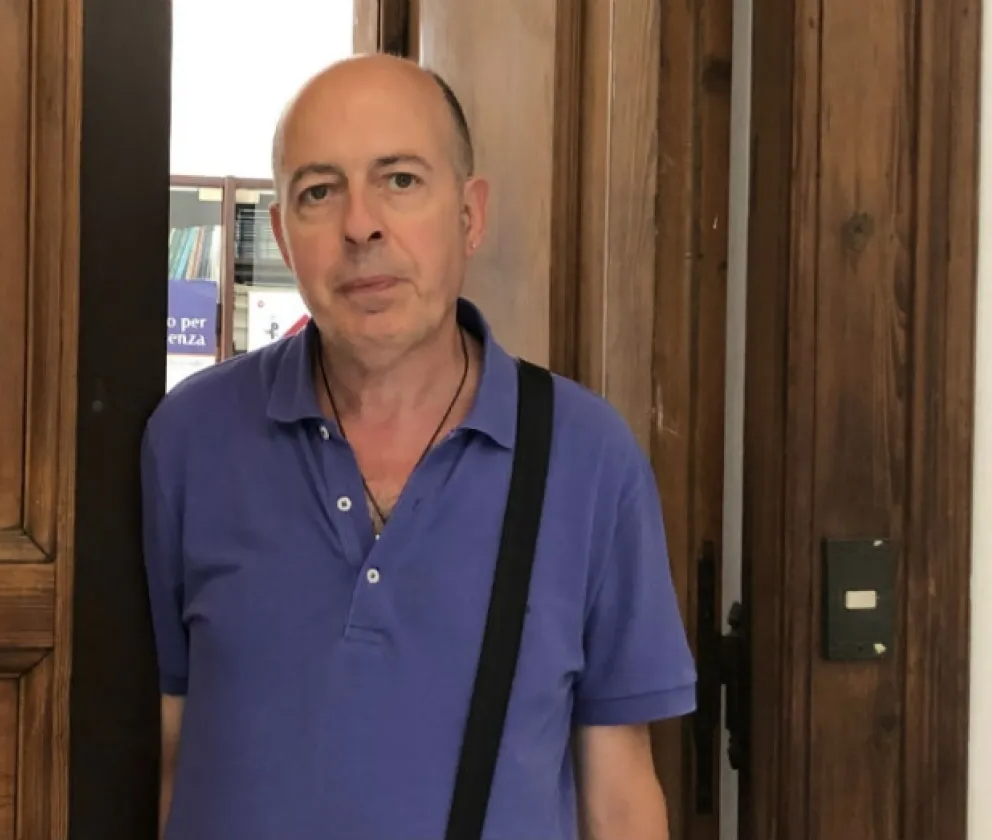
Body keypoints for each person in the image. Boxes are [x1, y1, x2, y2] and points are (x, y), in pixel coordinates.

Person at [140, 53, 696, 840]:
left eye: (400, 180)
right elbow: (167, 749)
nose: (360, 225)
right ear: (283, 238)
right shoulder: (189, 441)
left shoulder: (588, 458)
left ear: (470, 216)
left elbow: (621, 796)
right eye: (319, 191)